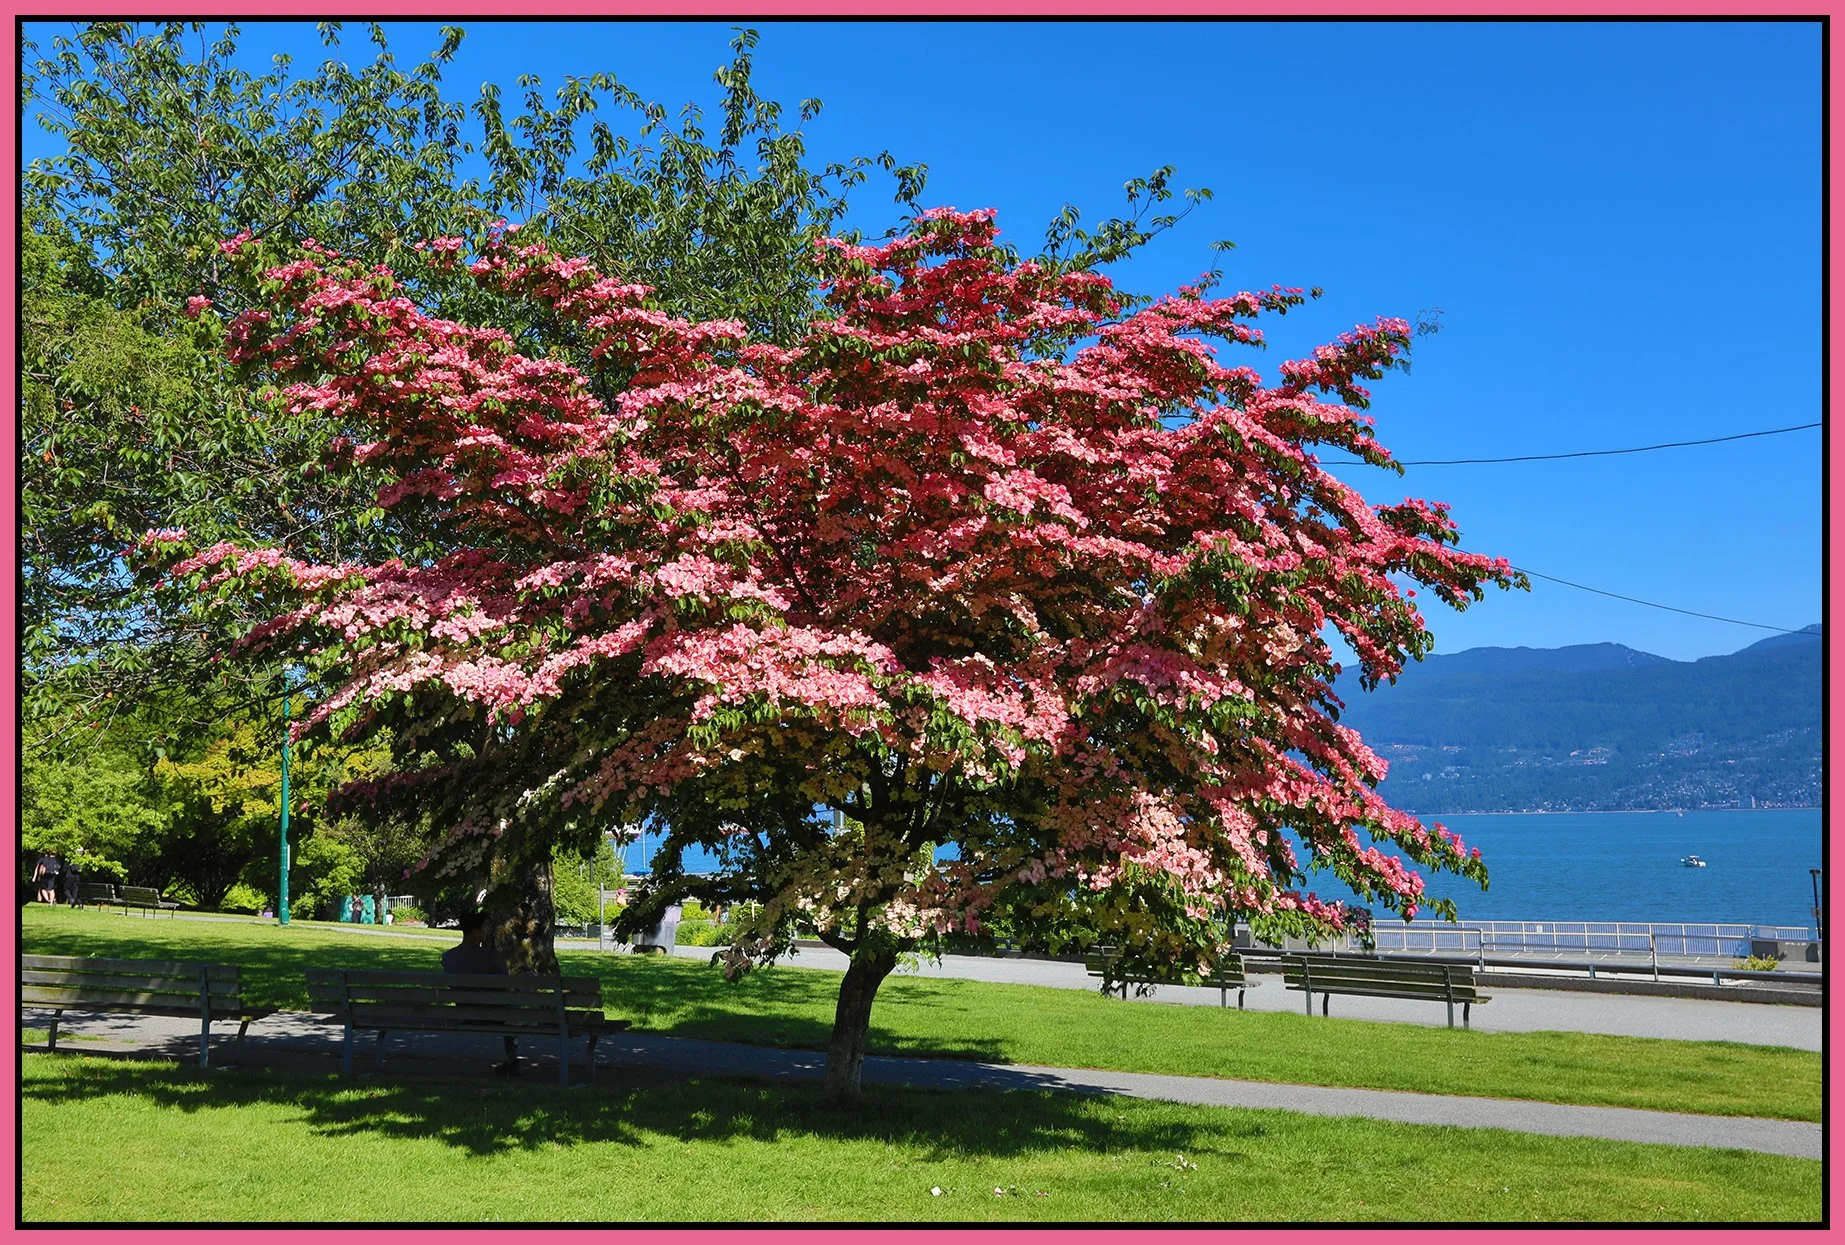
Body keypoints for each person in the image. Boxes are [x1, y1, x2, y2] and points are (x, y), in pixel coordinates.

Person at [442, 910, 520, 1076]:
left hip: (464, 1013)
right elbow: (506, 988)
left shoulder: (448, 958)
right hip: (495, 1016)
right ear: (476, 932)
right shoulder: (493, 956)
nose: (486, 932)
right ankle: (513, 1059)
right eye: (484, 928)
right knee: (521, 991)